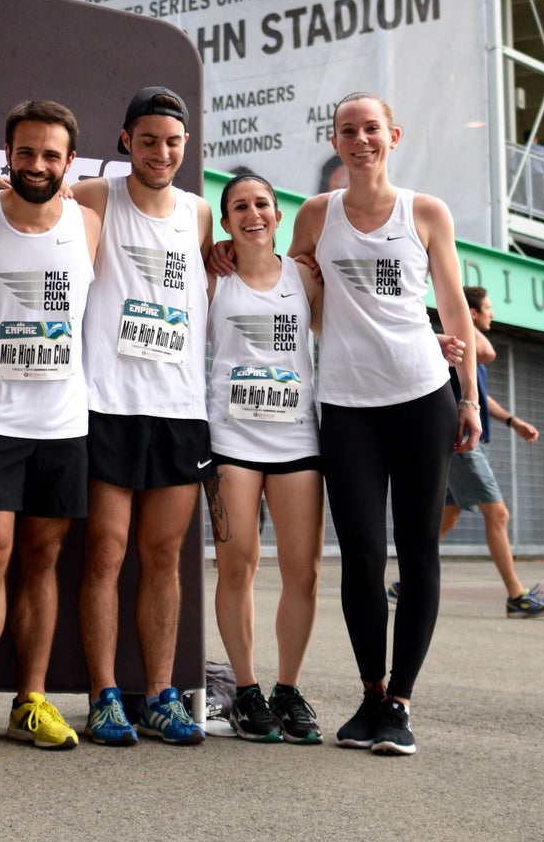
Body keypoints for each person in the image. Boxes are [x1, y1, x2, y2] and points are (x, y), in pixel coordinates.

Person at [288, 91, 480, 756]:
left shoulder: (425, 212)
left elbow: (453, 307)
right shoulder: (315, 216)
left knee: (418, 550)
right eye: (348, 130)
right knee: (363, 556)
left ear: (391, 135)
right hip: (347, 406)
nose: (361, 139)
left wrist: (470, 399)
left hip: (423, 396)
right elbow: (302, 304)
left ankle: (400, 704)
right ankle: (369, 695)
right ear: (335, 140)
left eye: (372, 128)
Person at [0, 100, 99, 763]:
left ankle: (28, 701)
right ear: (7, 155)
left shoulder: (89, 223)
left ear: (69, 162)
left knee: (42, 559)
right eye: (25, 152)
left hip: (63, 422)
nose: (38, 165)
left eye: (51, 155)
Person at [72, 88, 212, 747]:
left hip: (179, 409)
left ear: (186, 147)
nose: (162, 152)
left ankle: (160, 694)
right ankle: (104, 695)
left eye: (174, 142)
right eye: (150, 139)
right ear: (126, 139)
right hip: (109, 401)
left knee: (164, 555)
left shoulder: (200, 213)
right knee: (105, 551)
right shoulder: (99, 195)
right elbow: (29, 205)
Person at [204, 172, 325, 743]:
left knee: (305, 571)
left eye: (262, 205)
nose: (252, 214)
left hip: (297, 440)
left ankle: (288, 688)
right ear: (225, 222)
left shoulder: (305, 277)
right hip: (232, 440)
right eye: (238, 207)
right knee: (239, 565)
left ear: (279, 215)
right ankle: (247, 691)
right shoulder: (212, 277)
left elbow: (353, 328)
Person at [389, 286, 544, 618]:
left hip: (459, 439)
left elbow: (480, 396)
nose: (492, 314)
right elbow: (489, 352)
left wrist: (513, 421)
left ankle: (405, 580)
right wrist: (462, 319)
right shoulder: (458, 346)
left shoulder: (467, 355)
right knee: (498, 515)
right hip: (460, 441)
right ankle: (517, 596)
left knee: (448, 517)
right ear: (471, 313)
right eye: (487, 308)